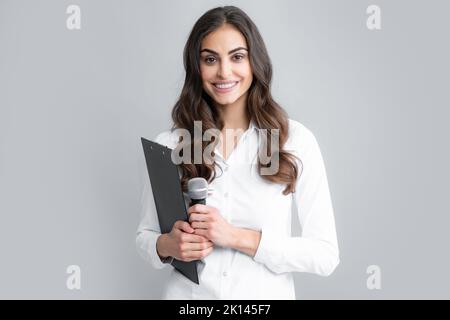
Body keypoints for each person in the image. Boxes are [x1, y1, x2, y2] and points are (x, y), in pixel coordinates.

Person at [136, 6, 339, 299]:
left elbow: (325, 255)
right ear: (196, 66)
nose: (224, 72)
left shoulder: (293, 141)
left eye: (237, 57)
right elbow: (145, 236)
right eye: (210, 59)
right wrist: (167, 245)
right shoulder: (170, 144)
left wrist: (236, 237)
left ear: (255, 61)